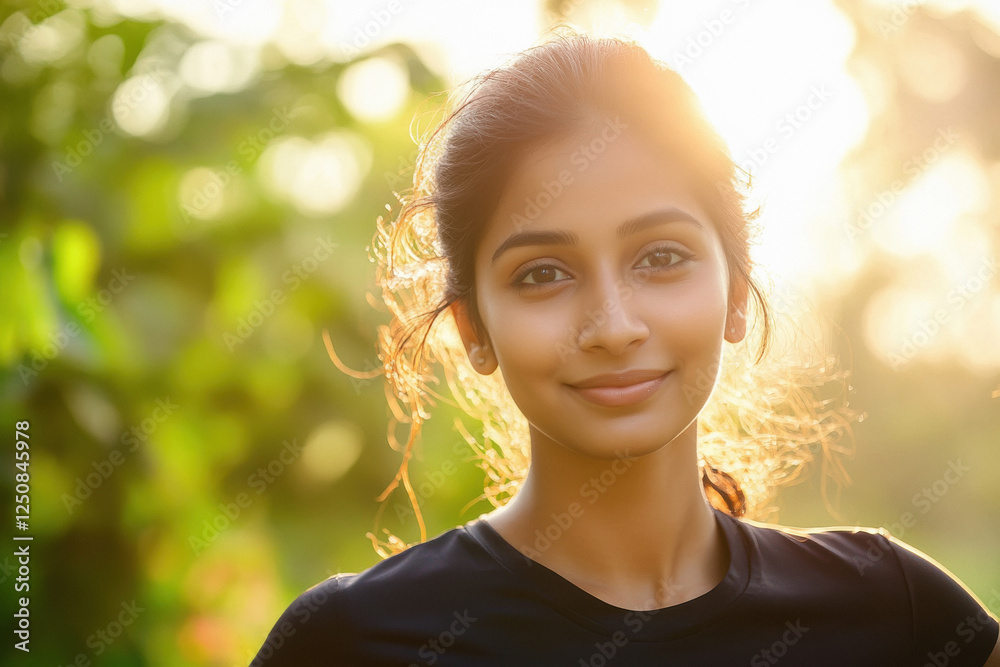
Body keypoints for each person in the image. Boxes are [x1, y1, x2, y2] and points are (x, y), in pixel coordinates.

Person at [251, 31, 1000, 665]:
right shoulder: (353, 641)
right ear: (473, 327)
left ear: (737, 292)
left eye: (661, 257)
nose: (612, 325)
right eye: (543, 273)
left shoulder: (894, 617)